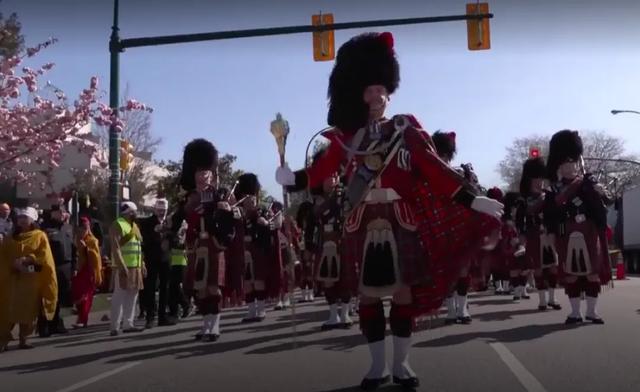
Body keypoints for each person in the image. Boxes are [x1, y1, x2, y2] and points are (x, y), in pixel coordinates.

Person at [276, 32, 503, 390]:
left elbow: (434, 170)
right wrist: (293, 178)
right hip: (363, 221)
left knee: (403, 294)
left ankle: (401, 364)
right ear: (357, 94)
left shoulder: (406, 129)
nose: (376, 96)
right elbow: (322, 171)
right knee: (367, 296)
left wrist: (472, 199)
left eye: (381, 89)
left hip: (401, 220)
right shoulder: (346, 138)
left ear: (390, 91)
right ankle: (376, 366)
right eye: (368, 90)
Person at [544, 130, 611, 324]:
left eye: (571, 162)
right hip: (566, 233)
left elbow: (606, 203)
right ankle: (575, 312)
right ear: (558, 166)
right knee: (571, 274)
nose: (569, 167)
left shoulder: (588, 183)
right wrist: (550, 233)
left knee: (592, 273)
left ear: (577, 162)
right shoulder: (553, 191)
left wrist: (600, 193)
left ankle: (592, 311)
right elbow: (549, 216)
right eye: (564, 164)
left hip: (589, 232)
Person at [179, 139, 235, 341]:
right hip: (197, 245)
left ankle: (215, 327)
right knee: (200, 289)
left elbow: (234, 218)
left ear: (212, 174)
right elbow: (184, 220)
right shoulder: (190, 199)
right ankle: (205, 326)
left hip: (214, 243)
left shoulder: (220, 195)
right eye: (199, 173)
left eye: (206, 172)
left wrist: (226, 211)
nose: (202, 176)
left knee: (213, 287)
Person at [0, 207, 57, 352]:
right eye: (20, 218)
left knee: (28, 312)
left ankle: (23, 339)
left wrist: (28, 260)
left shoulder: (39, 236)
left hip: (31, 281)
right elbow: (3, 256)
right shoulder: (10, 237)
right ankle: (3, 340)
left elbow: (44, 258)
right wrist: (14, 264)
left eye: (25, 218)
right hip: (12, 280)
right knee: (8, 311)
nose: (22, 220)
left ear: (33, 220)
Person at [517, 157, 562, 311]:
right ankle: (542, 300)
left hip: (548, 235)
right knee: (538, 268)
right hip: (533, 235)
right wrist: (521, 241)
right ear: (529, 180)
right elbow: (520, 221)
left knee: (553, 267)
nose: (539, 181)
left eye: (541, 178)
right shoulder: (523, 199)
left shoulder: (549, 195)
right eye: (536, 178)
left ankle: (552, 298)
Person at [109, 202, 145, 336]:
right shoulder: (117, 224)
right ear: (130, 212)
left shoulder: (135, 226)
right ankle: (114, 326)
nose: (136, 214)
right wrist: (121, 266)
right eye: (135, 212)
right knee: (119, 296)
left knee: (133, 295)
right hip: (124, 267)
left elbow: (139, 247)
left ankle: (128, 324)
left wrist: (142, 265)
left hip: (135, 266)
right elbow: (116, 248)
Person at [139, 198, 175, 328]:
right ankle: (150, 316)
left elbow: (173, 239)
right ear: (155, 209)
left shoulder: (169, 222)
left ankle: (162, 316)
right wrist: (155, 232)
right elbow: (144, 241)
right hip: (152, 258)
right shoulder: (147, 222)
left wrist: (172, 235)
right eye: (159, 210)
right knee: (150, 287)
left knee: (165, 288)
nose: (161, 213)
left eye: (164, 210)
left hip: (165, 258)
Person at [39, 204, 72, 336]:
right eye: (60, 212)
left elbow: (73, 248)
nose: (62, 214)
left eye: (64, 212)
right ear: (53, 213)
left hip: (66, 267)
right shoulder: (46, 228)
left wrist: (73, 266)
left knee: (60, 297)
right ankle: (44, 325)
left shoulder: (67, 228)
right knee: (48, 296)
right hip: (51, 266)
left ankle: (56, 323)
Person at [71, 216, 103, 328]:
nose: (82, 231)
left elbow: (96, 257)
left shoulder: (92, 240)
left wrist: (86, 249)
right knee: (77, 294)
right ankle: (80, 317)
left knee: (86, 296)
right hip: (78, 270)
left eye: (84, 228)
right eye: (80, 228)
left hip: (88, 271)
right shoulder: (75, 239)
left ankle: (83, 320)